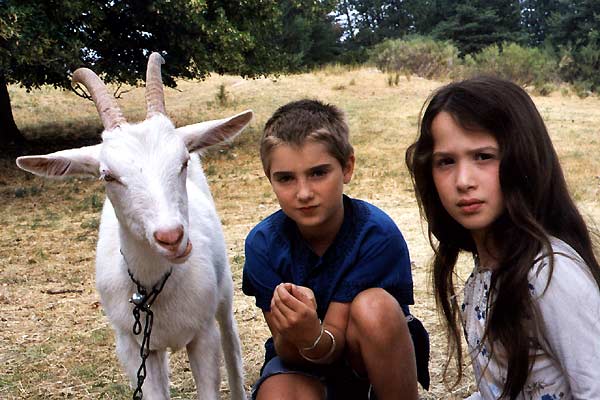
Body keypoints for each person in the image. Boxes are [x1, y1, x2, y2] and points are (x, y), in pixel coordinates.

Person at [405, 76, 600, 399]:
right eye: (446, 162)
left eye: (483, 156)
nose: (463, 180)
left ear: (523, 158)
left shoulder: (550, 276)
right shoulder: (484, 275)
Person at [242, 99, 430, 400]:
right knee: (278, 394)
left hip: (369, 359)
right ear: (270, 179)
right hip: (300, 366)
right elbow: (285, 348)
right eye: (286, 178)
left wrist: (310, 333)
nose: (304, 193)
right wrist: (299, 335)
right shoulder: (263, 244)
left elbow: (338, 339)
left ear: (347, 168)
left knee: (374, 307)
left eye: (318, 173)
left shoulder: (376, 234)